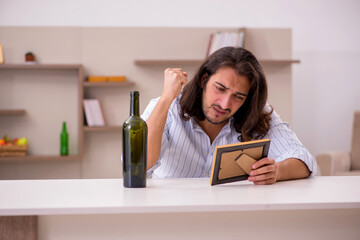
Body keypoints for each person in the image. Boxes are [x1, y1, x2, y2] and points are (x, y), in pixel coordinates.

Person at [141, 47, 317, 185]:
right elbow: (139, 165)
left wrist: (278, 171)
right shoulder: (168, 106)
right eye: (220, 89)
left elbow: (304, 160)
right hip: (171, 217)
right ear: (204, 80)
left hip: (231, 220)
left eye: (238, 96)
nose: (224, 104)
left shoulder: (255, 113)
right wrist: (165, 99)